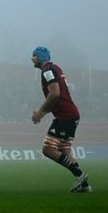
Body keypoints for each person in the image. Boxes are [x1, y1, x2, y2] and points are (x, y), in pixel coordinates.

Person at [30, 46, 92, 193]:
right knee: (65, 152)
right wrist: (44, 112)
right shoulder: (54, 68)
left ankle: (80, 175)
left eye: (34, 56)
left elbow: (55, 93)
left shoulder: (48, 70)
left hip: (65, 116)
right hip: (70, 114)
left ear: (40, 57)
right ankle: (84, 186)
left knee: (48, 149)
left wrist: (41, 111)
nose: (31, 58)